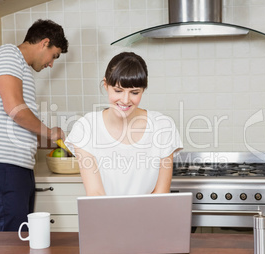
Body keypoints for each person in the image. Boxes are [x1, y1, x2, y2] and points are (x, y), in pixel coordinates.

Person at [0, 19, 69, 231]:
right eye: (53, 56)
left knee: (22, 238)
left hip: (19, 167)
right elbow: (14, 109)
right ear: (44, 43)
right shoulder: (8, 54)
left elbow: (18, 125)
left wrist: (59, 144)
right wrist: (49, 132)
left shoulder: (23, 69)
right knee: (12, 241)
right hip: (4, 165)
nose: (51, 64)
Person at [65, 52, 182, 196]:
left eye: (134, 92)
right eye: (118, 91)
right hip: (105, 215)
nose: (125, 100)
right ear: (106, 84)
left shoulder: (163, 127)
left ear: (143, 89)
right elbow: (96, 193)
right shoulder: (86, 128)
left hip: (150, 216)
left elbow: (161, 193)